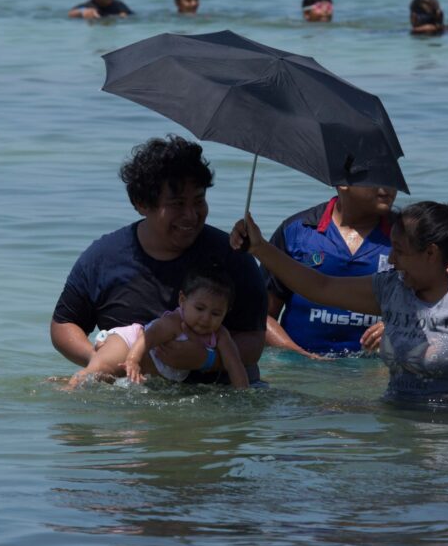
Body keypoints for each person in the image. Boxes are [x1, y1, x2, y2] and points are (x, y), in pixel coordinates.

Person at [232, 193, 448, 403]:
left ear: (430, 253)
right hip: (399, 424)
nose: (391, 259)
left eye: (399, 250)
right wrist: (258, 248)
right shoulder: (391, 288)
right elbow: (321, 286)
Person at [52, 135, 267, 384]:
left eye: (199, 201)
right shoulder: (103, 258)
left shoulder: (233, 257)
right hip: (131, 398)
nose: (191, 215)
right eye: (176, 204)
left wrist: (207, 360)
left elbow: (254, 342)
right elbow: (63, 325)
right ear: (142, 204)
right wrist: (107, 362)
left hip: (214, 397)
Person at [66, 262, 249, 389]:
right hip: (129, 342)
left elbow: (235, 364)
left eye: (216, 313)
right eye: (200, 308)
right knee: (97, 371)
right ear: (182, 300)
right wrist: (132, 359)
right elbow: (149, 337)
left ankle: (62, 382)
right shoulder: (174, 322)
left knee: (107, 381)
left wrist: (244, 394)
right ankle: (72, 386)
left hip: (148, 365)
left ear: (226, 312)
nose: (206, 318)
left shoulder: (221, 335)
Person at [264, 185, 396, 359]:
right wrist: (297, 354)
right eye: (377, 179)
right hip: (300, 366)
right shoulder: (296, 231)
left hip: (375, 371)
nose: (386, 189)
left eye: (391, 179)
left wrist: (399, 325)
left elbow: (433, 306)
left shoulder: (407, 236)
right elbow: (260, 315)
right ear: (344, 183)